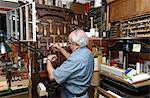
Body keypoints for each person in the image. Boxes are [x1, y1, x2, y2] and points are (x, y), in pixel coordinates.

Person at [46, 28, 94, 98]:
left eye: (70, 43)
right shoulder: (88, 52)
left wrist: (48, 60)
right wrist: (60, 49)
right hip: (83, 94)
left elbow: (52, 76)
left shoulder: (75, 59)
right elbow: (73, 59)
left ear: (77, 44)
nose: (69, 45)